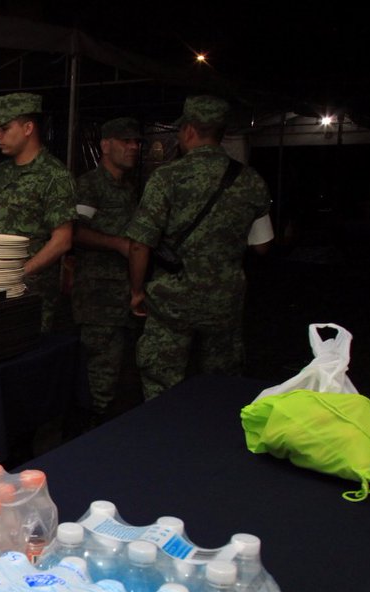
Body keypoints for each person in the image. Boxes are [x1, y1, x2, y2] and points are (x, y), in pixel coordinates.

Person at [126, 96, 273, 400]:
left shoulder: (166, 177)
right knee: (221, 384)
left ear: (189, 131)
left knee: (161, 379)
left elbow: (141, 244)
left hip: (172, 301)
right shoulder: (250, 180)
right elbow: (262, 246)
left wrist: (137, 291)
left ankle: (162, 439)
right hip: (224, 302)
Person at [0, 92, 76, 332]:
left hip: (31, 294)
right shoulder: (2, 172)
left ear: (28, 128)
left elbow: (62, 241)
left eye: (4, 128)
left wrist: (19, 273)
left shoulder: (54, 176)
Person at [72, 117, 143, 423]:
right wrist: (117, 244)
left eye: (136, 142)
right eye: (125, 141)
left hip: (124, 295)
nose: (133, 147)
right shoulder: (90, 186)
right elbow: (74, 232)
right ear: (105, 145)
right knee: (98, 375)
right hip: (97, 298)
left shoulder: (129, 188)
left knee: (119, 375)